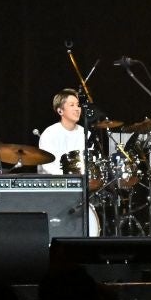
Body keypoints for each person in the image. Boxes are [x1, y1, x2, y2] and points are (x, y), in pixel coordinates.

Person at [37, 88, 100, 235]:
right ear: (60, 110)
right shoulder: (50, 133)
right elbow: (47, 166)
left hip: (81, 188)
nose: (77, 109)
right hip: (54, 188)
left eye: (78, 105)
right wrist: (69, 179)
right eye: (71, 105)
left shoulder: (85, 133)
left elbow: (90, 162)